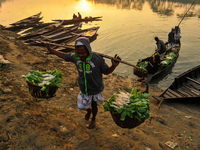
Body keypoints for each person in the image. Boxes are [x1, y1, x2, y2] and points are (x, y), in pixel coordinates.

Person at [45, 37, 121, 129]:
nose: (81, 55)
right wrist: (51, 50)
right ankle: (88, 111)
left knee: (94, 105)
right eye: (79, 53)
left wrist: (113, 66)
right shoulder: (75, 58)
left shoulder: (97, 59)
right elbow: (64, 56)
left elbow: (107, 71)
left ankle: (93, 119)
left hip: (95, 88)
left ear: (88, 50)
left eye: (83, 52)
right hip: (83, 87)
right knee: (82, 106)